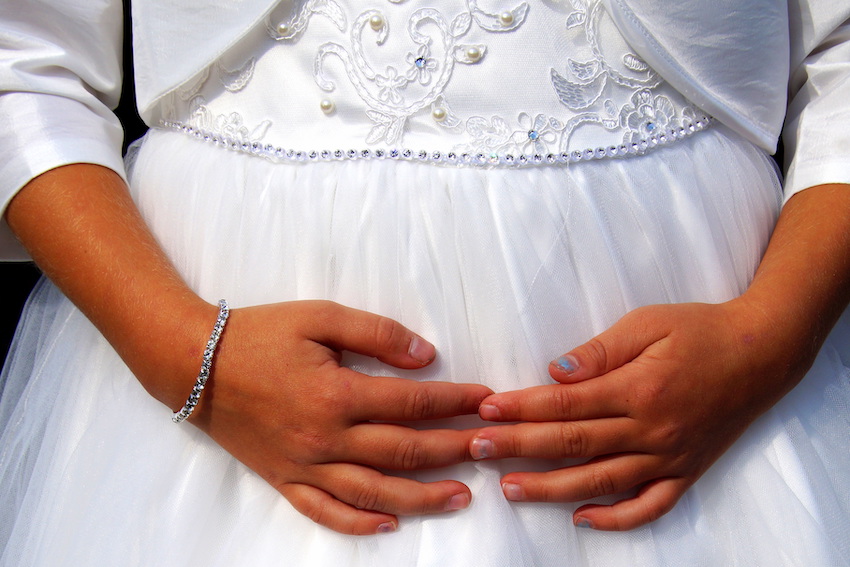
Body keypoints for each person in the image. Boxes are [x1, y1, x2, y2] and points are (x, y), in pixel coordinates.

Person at [1, 0, 849, 564]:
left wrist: (772, 336)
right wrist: (190, 356)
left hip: (712, 403)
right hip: (225, 402)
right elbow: (24, 62)